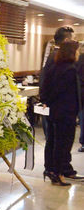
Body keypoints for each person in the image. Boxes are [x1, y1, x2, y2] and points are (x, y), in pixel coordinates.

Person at [39, 26, 83, 180]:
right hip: (61, 108)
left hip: (61, 107)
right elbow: (49, 82)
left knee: (58, 140)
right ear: (66, 40)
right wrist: (45, 100)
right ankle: (55, 170)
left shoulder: (58, 57)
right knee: (58, 140)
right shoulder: (56, 58)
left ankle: (61, 168)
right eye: (74, 40)